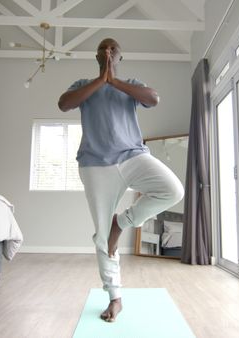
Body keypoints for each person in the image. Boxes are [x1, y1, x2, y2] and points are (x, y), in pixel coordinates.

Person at [58, 38, 184, 322]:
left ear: (119, 56)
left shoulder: (131, 85)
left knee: (173, 189)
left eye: (113, 49)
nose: (108, 51)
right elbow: (64, 104)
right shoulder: (82, 85)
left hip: (132, 156)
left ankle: (122, 222)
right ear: (97, 56)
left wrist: (113, 81)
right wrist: (101, 80)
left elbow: (153, 98)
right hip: (95, 165)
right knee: (102, 237)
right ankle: (115, 297)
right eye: (104, 48)